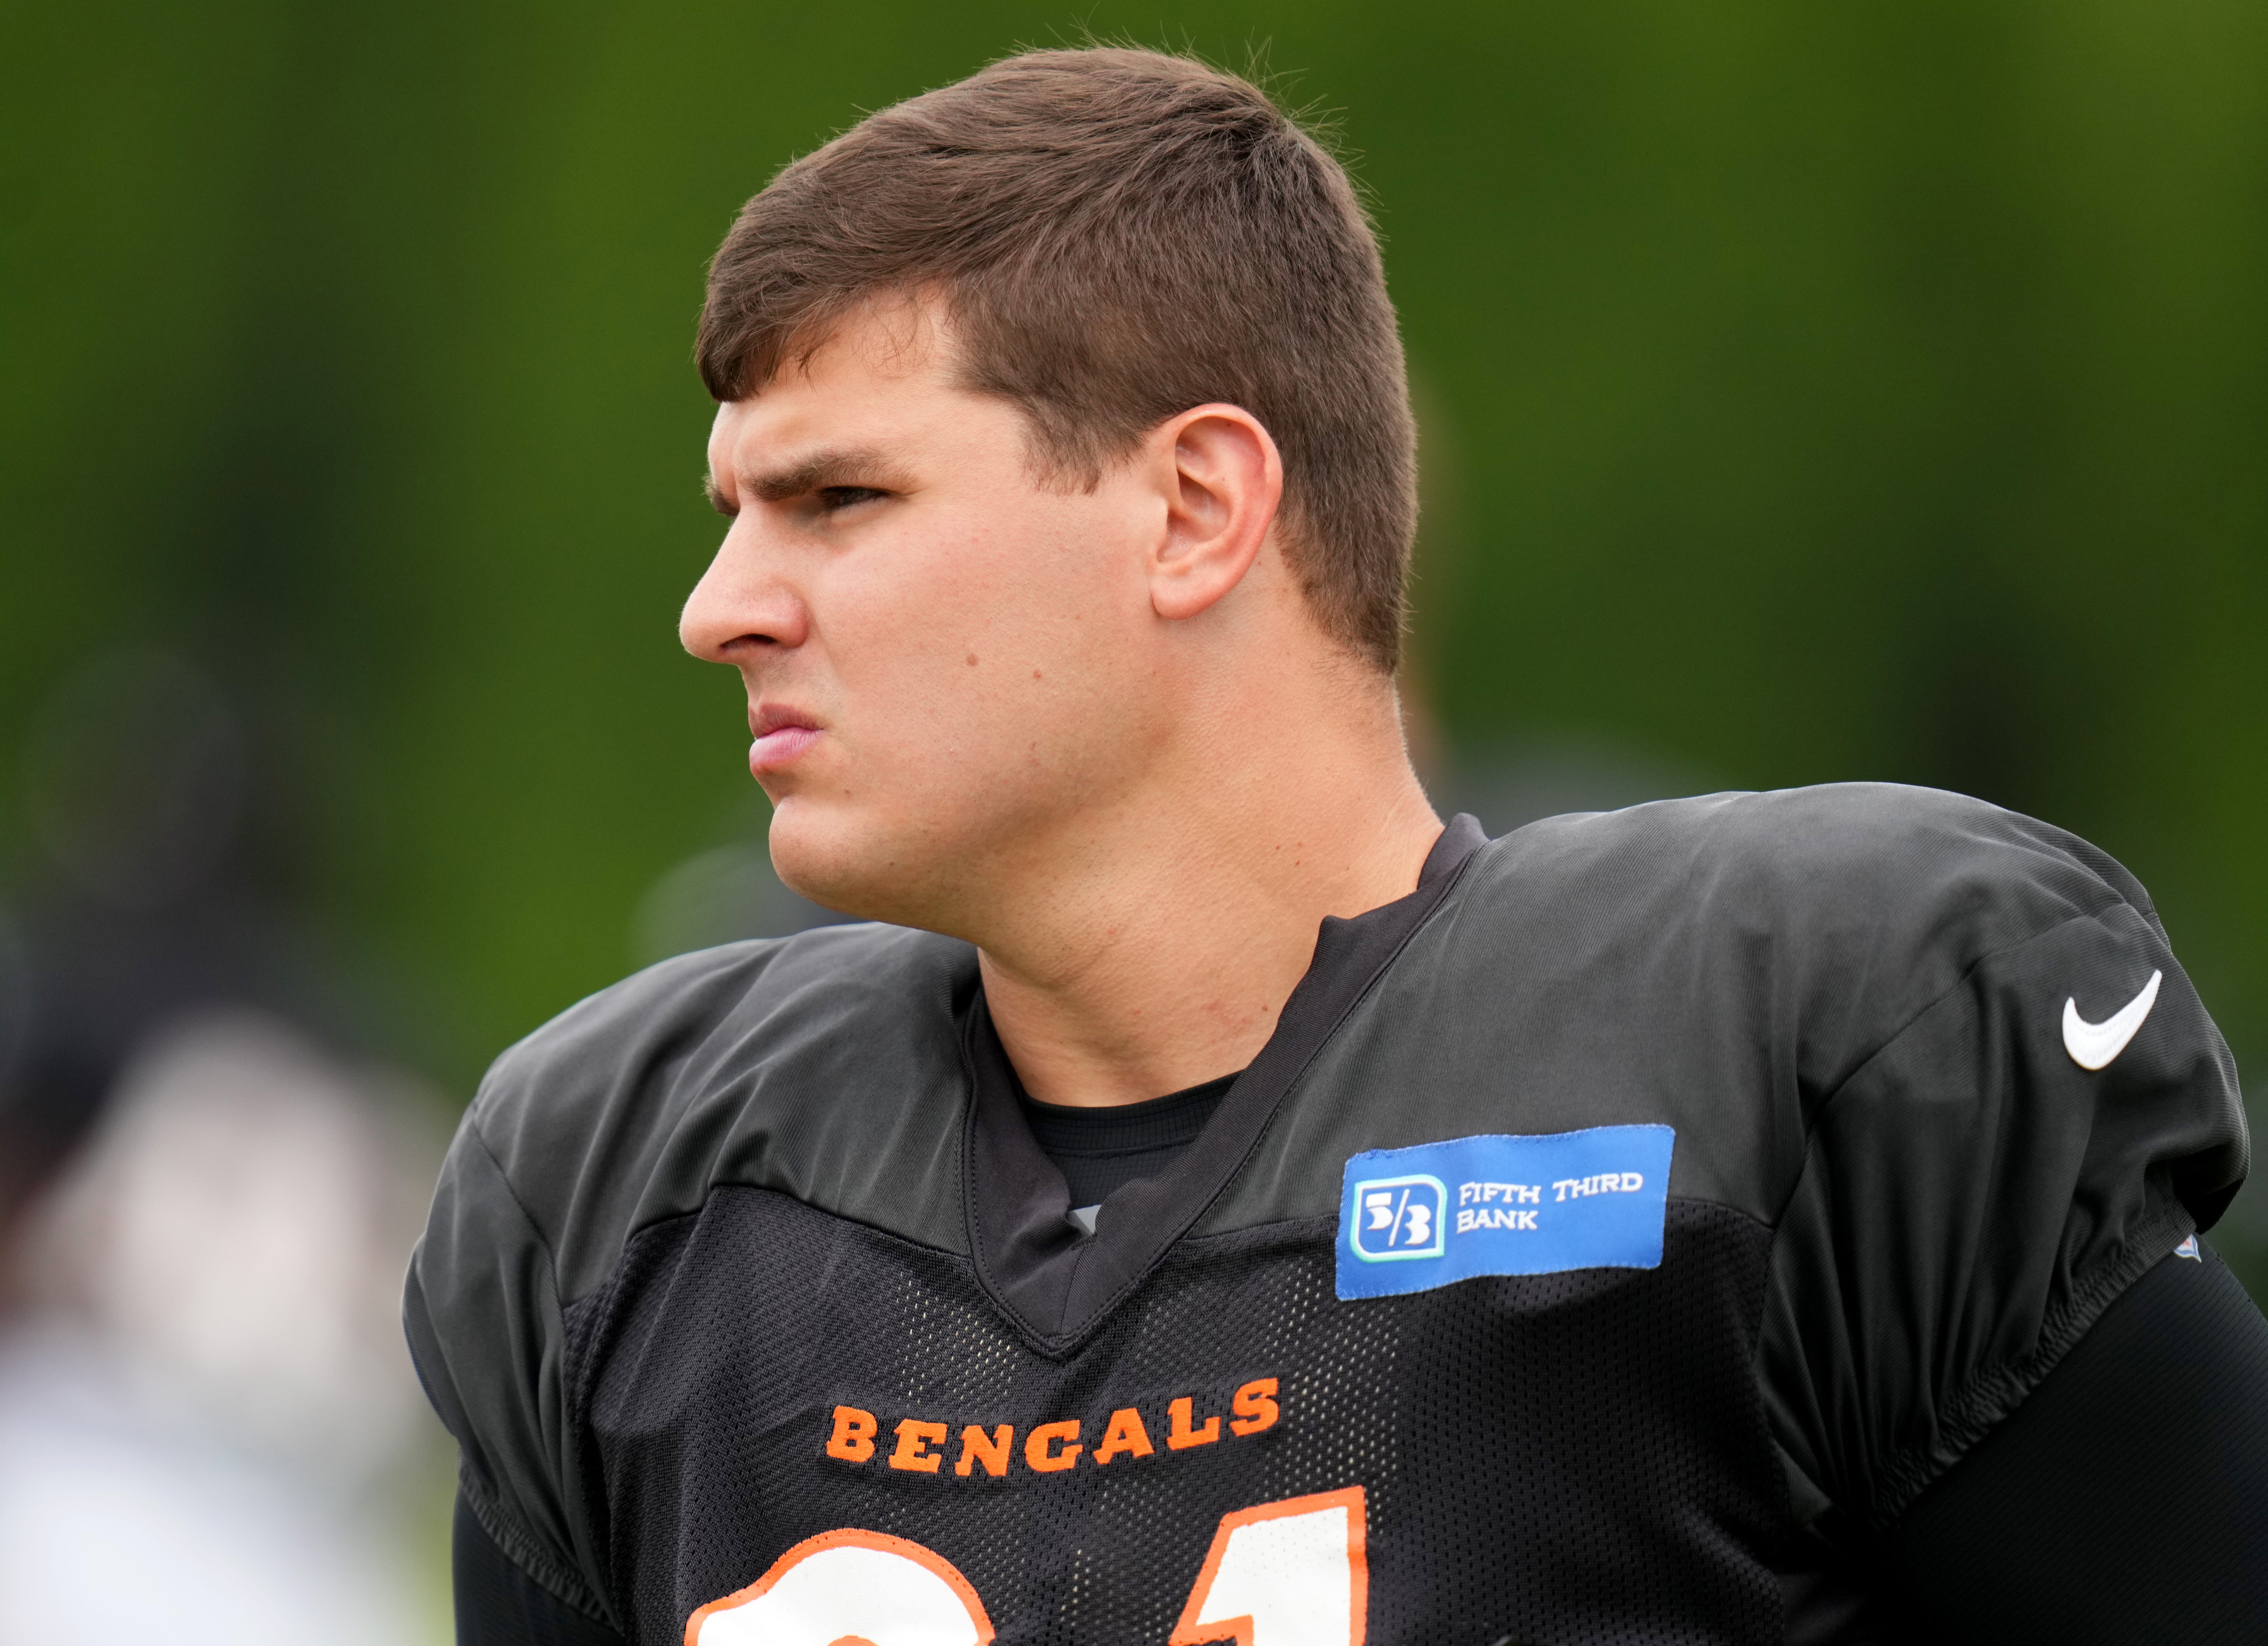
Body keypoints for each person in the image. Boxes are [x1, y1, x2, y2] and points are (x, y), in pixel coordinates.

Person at [405, 47, 2267, 1645]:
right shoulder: (626, 1203)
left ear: (1194, 507)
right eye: (735, 511)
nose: (718, 609)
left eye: (838, 496)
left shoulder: (1807, 1061)